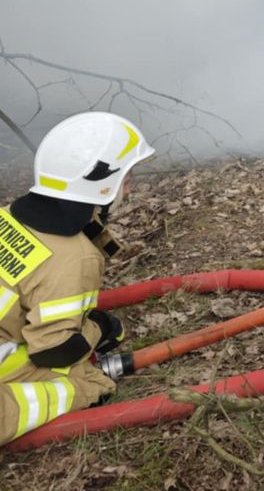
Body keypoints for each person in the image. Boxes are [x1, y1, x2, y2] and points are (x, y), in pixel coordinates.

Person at [0, 112, 154, 443]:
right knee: (90, 382)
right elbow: (53, 351)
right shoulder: (74, 258)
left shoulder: (9, 217)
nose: (130, 184)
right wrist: (100, 328)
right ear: (103, 183)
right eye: (126, 176)